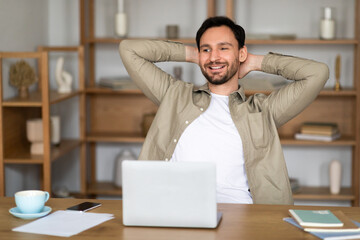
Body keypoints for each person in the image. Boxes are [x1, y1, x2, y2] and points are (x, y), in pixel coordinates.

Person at [119, 16, 329, 205]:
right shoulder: (174, 95)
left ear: (241, 53)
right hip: (174, 211)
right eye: (206, 49)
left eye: (224, 48)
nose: (214, 57)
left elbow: (317, 73)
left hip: (241, 218)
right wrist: (194, 55)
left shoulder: (262, 111)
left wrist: (254, 62)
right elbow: (129, 50)